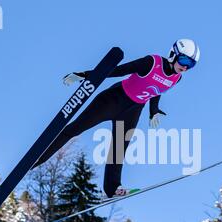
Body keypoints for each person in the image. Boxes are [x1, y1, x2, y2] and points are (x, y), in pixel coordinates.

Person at [32, 39, 200, 199]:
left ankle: (112, 189)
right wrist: (86, 75)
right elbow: (119, 70)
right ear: (173, 54)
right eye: (184, 60)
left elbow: (157, 90)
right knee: (76, 129)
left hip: (133, 110)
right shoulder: (152, 62)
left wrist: (153, 111)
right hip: (113, 99)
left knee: (119, 149)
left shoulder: (177, 78)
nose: (185, 67)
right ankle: (38, 158)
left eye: (191, 65)